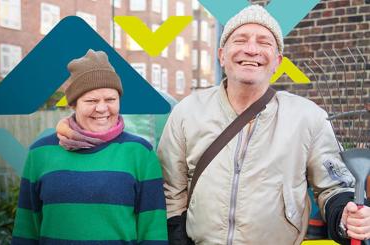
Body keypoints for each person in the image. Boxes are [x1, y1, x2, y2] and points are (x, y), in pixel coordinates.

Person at [157, 5, 370, 245]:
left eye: (264, 42)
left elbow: (333, 187)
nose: (251, 49)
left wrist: (346, 216)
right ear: (222, 55)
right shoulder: (187, 111)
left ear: (277, 61)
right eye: (240, 40)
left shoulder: (308, 117)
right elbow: (171, 191)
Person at [11, 49, 168, 244]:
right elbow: (26, 230)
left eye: (110, 99)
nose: (102, 108)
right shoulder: (40, 153)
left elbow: (153, 232)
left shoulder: (140, 153)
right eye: (91, 100)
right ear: (73, 104)